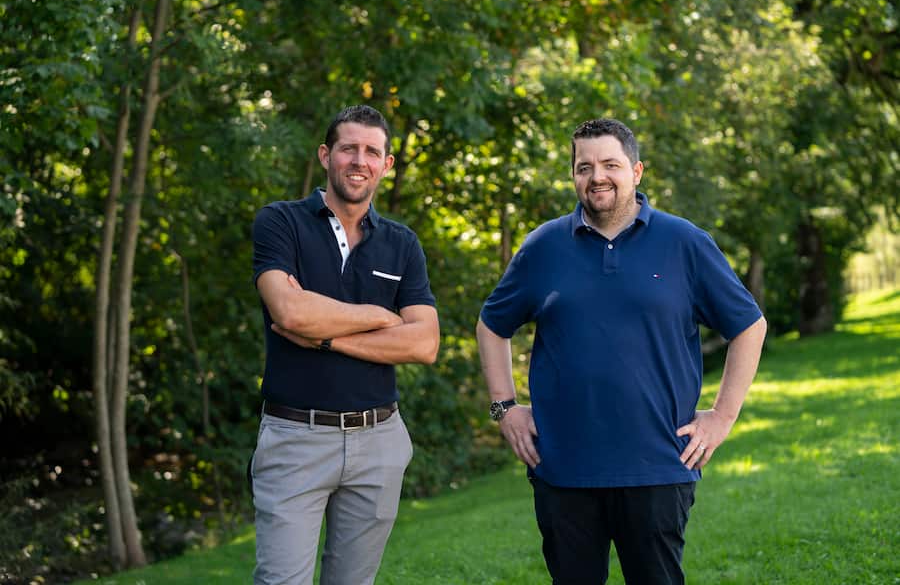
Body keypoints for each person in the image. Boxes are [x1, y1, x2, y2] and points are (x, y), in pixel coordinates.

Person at [476, 118, 766, 584]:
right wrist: (504, 407)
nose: (597, 177)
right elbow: (492, 325)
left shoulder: (684, 243)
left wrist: (723, 416)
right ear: (573, 175)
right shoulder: (544, 247)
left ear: (637, 171)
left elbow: (749, 325)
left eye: (610, 164)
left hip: (658, 465)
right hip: (563, 471)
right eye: (584, 167)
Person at [250, 104, 440, 585]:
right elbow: (289, 313)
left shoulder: (402, 244)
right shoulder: (280, 223)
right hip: (296, 438)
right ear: (325, 155)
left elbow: (424, 343)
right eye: (348, 148)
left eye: (372, 152)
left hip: (379, 441)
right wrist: (379, 318)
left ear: (387, 164)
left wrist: (327, 336)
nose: (360, 160)